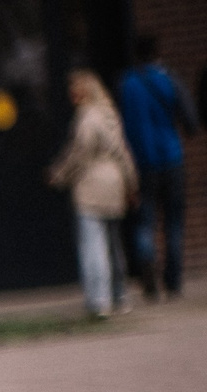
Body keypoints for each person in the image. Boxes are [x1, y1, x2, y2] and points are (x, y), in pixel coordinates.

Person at [51, 70, 137, 319]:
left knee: (93, 246)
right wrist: (131, 183)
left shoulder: (87, 119)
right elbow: (123, 151)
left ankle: (99, 301)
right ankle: (120, 296)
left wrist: (58, 175)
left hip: (91, 187)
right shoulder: (109, 114)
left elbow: (79, 154)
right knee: (113, 245)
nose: (70, 96)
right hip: (114, 183)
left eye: (74, 90)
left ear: (83, 92)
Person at [118, 35, 197, 301]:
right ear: (157, 52)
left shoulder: (127, 84)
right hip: (171, 157)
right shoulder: (168, 79)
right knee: (173, 222)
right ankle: (173, 281)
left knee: (145, 220)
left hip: (142, 162)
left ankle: (148, 268)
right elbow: (190, 120)